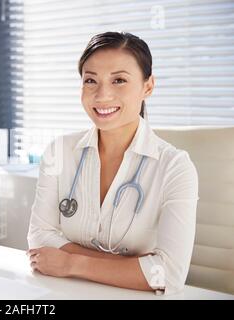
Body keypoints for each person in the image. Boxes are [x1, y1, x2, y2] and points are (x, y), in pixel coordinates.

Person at [27, 31, 199, 295]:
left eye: (119, 80)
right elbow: (39, 237)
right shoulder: (58, 151)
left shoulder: (175, 167)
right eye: (90, 81)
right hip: (64, 292)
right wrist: (131, 267)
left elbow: (168, 274)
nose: (102, 95)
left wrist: (73, 263)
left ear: (148, 86)